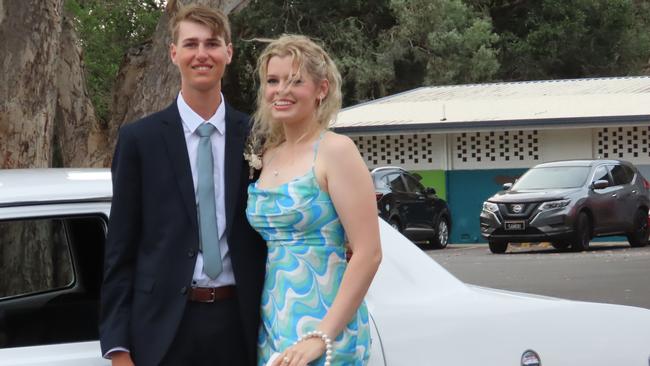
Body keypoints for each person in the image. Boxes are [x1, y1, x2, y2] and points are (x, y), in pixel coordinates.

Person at [99, 4, 266, 366]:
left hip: (241, 324)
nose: (202, 54)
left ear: (229, 53)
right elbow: (120, 250)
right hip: (161, 331)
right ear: (173, 53)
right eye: (191, 44)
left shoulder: (260, 137)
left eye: (212, 44)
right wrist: (117, 347)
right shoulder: (139, 140)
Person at [245, 35, 382, 366]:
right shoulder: (267, 155)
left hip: (327, 326)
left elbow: (369, 253)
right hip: (274, 322)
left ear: (321, 89)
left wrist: (321, 337)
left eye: (295, 81)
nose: (281, 91)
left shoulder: (335, 151)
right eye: (272, 81)